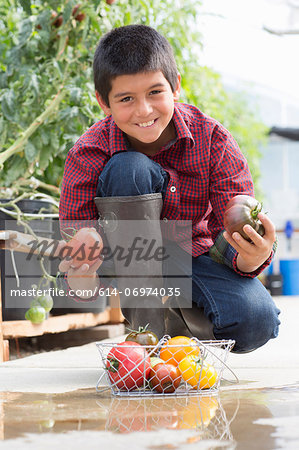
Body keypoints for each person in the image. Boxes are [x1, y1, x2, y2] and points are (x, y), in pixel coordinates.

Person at [58, 24, 280, 353]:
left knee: (257, 321)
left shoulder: (212, 140)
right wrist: (81, 271)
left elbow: (232, 230)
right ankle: (146, 338)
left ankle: (180, 332)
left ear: (175, 87)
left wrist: (254, 257)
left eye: (155, 92)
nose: (144, 110)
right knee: (128, 168)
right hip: (126, 261)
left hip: (196, 258)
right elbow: (80, 272)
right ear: (104, 102)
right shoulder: (88, 154)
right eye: (126, 98)